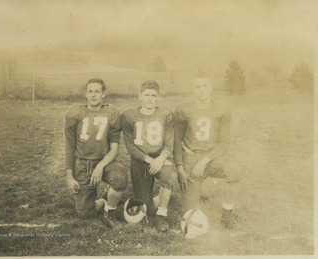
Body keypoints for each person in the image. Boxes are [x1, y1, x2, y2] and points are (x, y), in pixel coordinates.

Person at [173, 71, 241, 229]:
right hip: (190, 157)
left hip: (212, 157)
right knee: (191, 213)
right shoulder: (184, 109)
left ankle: (226, 214)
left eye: (204, 86)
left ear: (211, 88)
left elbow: (224, 143)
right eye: (197, 86)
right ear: (193, 89)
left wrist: (205, 160)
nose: (201, 89)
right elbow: (176, 140)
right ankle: (193, 193)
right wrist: (179, 166)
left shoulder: (222, 108)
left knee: (234, 171)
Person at [64, 78, 128, 229]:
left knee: (120, 177)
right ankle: (103, 200)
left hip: (104, 161)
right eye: (90, 91)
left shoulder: (111, 113)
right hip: (81, 163)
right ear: (86, 94)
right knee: (85, 213)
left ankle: (108, 211)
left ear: (103, 94)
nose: (93, 95)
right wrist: (69, 176)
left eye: (97, 91)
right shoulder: (75, 112)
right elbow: (69, 146)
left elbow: (114, 149)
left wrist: (100, 166)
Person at [121, 80, 177, 232]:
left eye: (153, 95)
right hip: (140, 160)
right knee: (147, 208)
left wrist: (160, 159)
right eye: (146, 95)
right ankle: (163, 196)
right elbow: (131, 147)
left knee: (170, 175)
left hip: (160, 157)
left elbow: (169, 144)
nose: (150, 98)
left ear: (158, 97)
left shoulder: (165, 114)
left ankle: (162, 215)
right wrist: (150, 160)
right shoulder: (129, 115)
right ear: (140, 96)